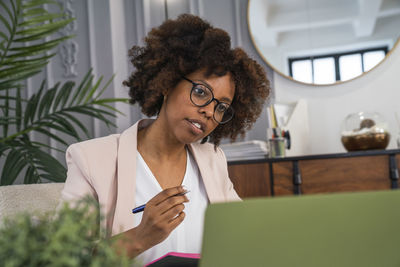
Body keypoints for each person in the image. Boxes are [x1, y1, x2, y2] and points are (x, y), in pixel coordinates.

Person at [60, 14, 270, 265]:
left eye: (221, 107)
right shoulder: (92, 159)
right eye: (201, 92)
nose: (209, 111)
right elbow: (64, 258)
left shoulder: (213, 160)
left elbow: (243, 235)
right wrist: (140, 237)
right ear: (168, 83)